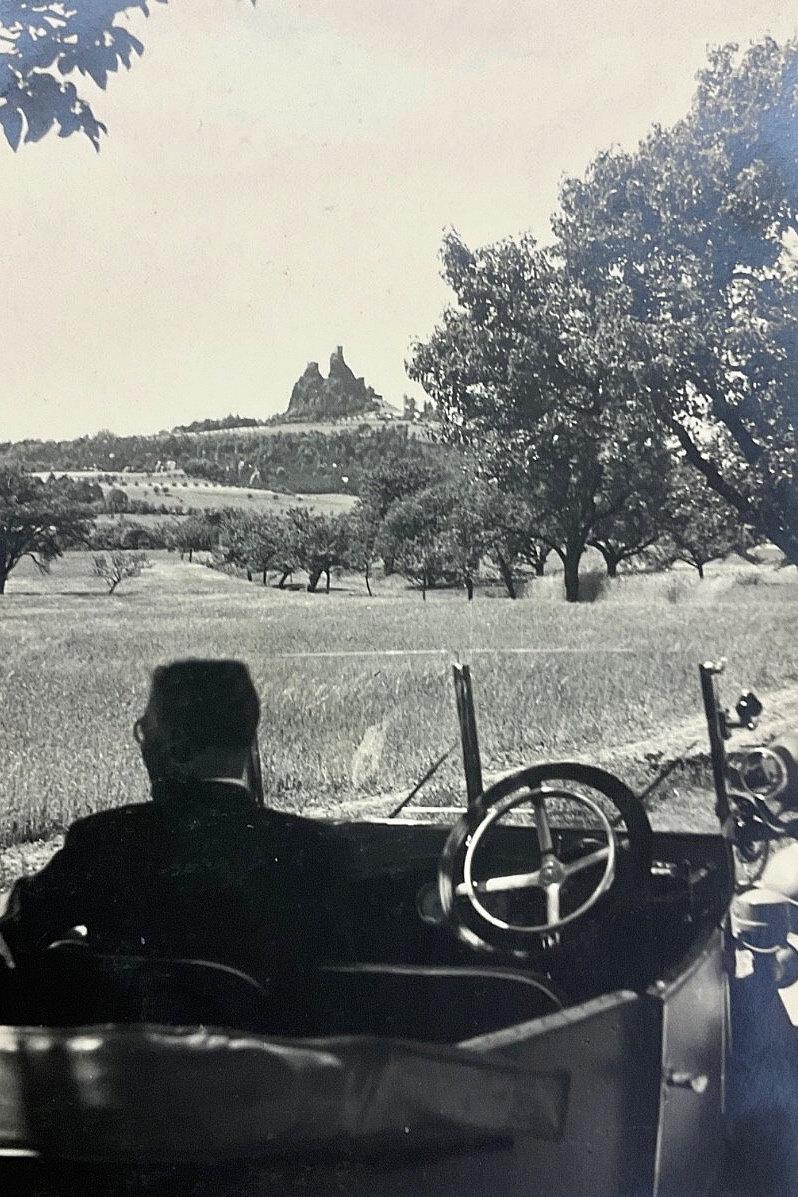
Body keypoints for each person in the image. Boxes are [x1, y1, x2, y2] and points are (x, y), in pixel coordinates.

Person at [0, 658, 353, 985]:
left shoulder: (102, 841)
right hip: (265, 1051)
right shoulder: (315, 849)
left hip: (134, 1052)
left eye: (145, 731)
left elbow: (16, 933)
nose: (143, 745)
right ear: (246, 737)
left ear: (177, 747)